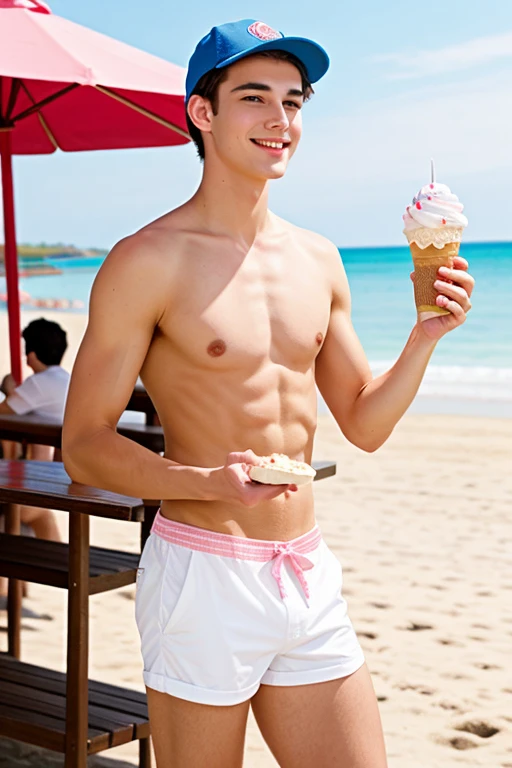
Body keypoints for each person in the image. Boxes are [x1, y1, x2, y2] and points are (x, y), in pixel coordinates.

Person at [62, 19, 474, 768]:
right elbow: (83, 446)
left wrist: (424, 335)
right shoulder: (145, 260)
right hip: (201, 573)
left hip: (308, 571)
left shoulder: (319, 259)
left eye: (294, 101)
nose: (280, 120)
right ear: (202, 112)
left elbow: (364, 423)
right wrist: (204, 481)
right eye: (255, 98)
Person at [0, 318, 69, 548]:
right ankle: (67, 568)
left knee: (29, 513)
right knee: (39, 514)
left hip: (44, 479)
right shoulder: (66, 380)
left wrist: (9, 388)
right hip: (61, 470)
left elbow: (4, 411)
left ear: (30, 355)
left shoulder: (38, 384)